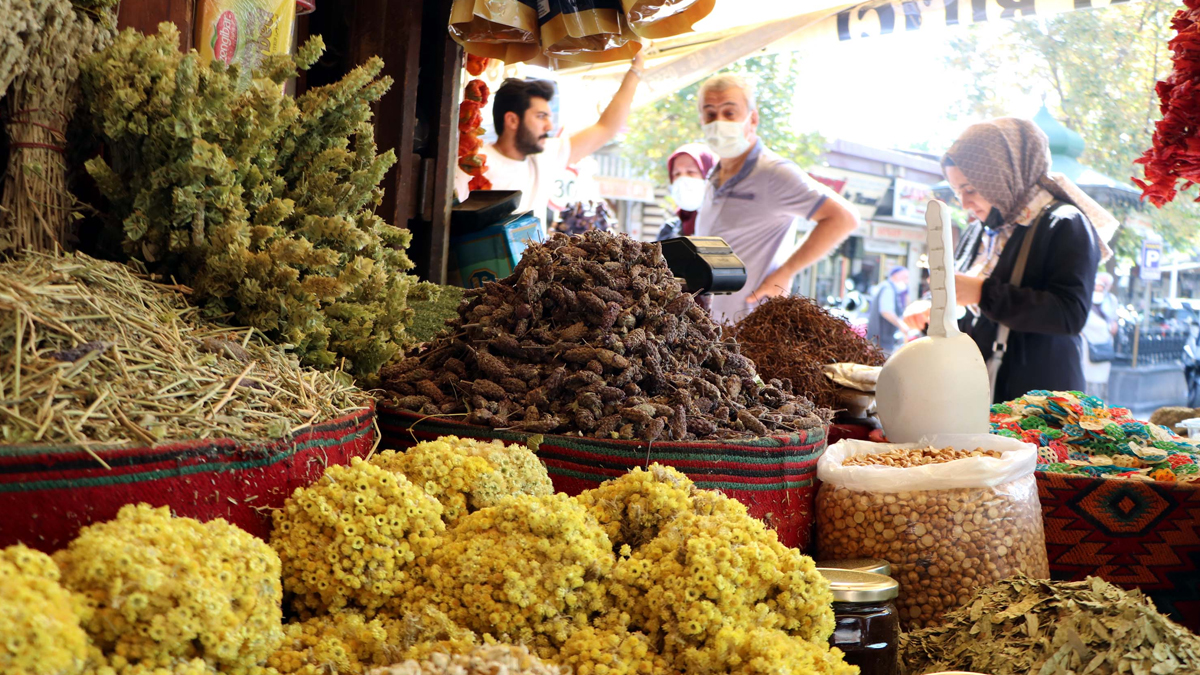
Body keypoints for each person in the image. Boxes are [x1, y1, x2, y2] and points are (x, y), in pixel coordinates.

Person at [945, 117, 1116, 403]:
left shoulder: (1065, 222)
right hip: (978, 393)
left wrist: (982, 292)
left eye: (970, 189)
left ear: (1001, 174)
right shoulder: (981, 229)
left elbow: (1069, 314)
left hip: (1037, 403)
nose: (964, 203)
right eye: (957, 191)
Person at [691, 74, 859, 321]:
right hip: (708, 330)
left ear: (753, 119)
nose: (719, 122)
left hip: (750, 330)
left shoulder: (773, 172)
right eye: (710, 114)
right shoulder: (713, 177)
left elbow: (843, 218)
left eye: (729, 113)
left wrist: (786, 272)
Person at [482, 54, 645, 229]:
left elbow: (606, 128)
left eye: (549, 117)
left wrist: (636, 70)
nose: (549, 126)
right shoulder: (475, 164)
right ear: (512, 120)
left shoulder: (541, 158)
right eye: (541, 116)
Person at [656, 143, 715, 241]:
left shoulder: (724, 228)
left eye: (691, 172)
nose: (683, 179)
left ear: (709, 176)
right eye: (677, 174)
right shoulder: (669, 231)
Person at [1081, 272, 1119, 398]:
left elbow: (1113, 320)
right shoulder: (1086, 299)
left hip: (1104, 346)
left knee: (1101, 381)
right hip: (1088, 346)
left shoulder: (1111, 300)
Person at [866, 266, 915, 355]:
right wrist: (901, 325)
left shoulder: (893, 289)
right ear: (896, 276)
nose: (907, 281)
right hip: (880, 340)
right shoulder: (888, 288)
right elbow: (886, 312)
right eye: (905, 278)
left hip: (881, 340)